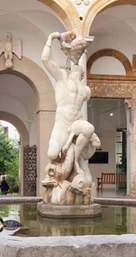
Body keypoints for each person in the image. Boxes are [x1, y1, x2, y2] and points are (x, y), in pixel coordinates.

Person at [41, 31, 91, 161]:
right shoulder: (62, 78)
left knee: (89, 129)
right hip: (62, 124)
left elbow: (82, 109)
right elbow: (45, 59)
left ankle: (75, 160)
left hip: (76, 123)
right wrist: (51, 38)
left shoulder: (85, 90)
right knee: (52, 154)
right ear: (69, 70)